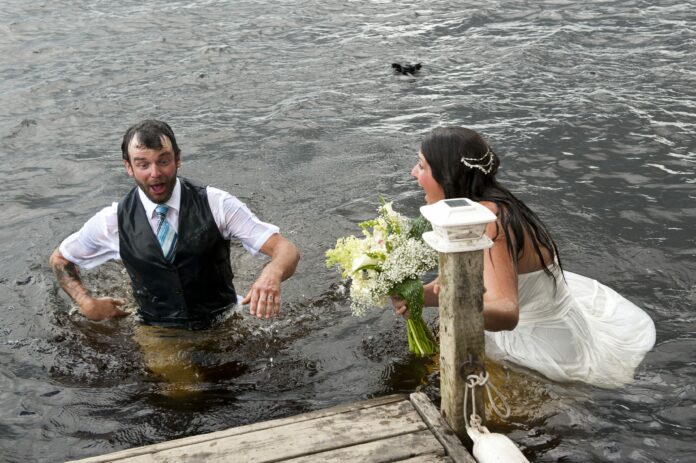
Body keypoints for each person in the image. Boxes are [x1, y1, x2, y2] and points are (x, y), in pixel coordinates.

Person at [393, 126, 655, 387]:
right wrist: (415, 295)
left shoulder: (491, 221)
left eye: (422, 165)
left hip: (542, 343)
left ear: (447, 174)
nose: (413, 173)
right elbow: (462, 277)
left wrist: (453, 301)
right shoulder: (481, 205)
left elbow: (507, 312)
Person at [49, 120, 300, 389]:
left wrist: (272, 272)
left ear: (178, 159)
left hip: (224, 319)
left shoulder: (216, 203)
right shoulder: (113, 221)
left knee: (257, 383)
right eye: (143, 164)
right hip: (158, 330)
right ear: (128, 167)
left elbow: (286, 249)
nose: (155, 173)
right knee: (184, 394)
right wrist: (88, 304)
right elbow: (60, 259)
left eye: (163, 161)